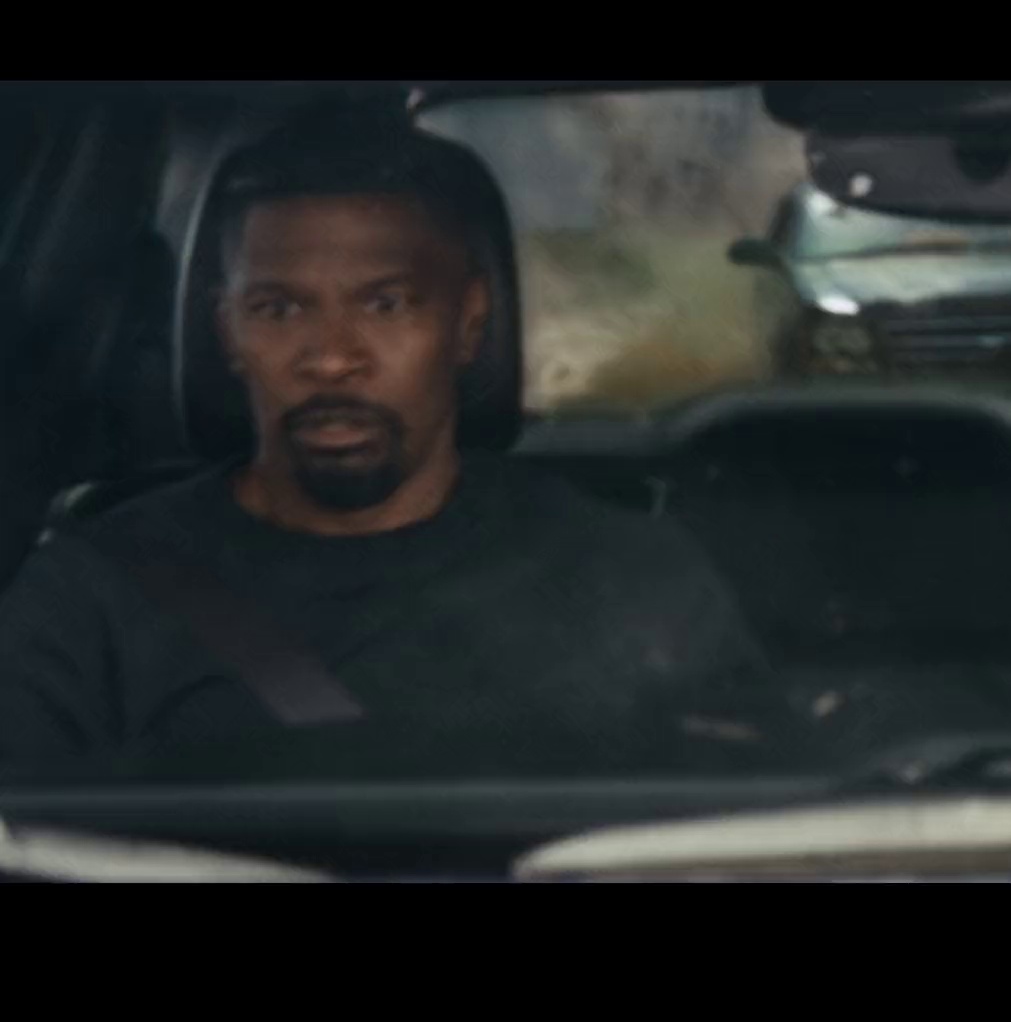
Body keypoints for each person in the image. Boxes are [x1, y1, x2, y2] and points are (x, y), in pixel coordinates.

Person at [0, 116, 765, 764]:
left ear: (468, 322)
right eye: (278, 309)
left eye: (386, 303)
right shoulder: (94, 595)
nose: (332, 357)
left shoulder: (624, 576)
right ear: (227, 331)